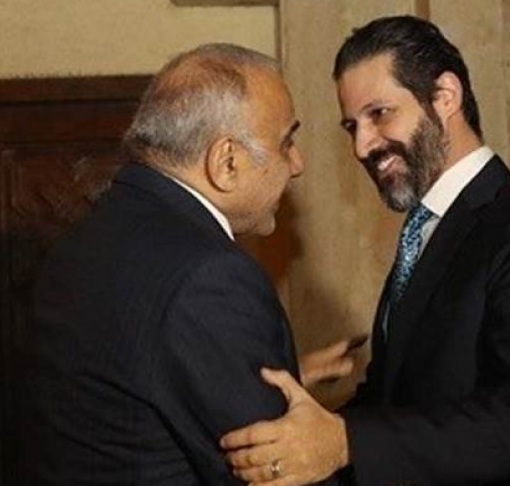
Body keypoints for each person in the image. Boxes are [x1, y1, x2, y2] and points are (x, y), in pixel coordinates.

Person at [221, 16, 510, 485]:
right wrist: (304, 437)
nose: (362, 146)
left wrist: (345, 442)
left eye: (380, 114)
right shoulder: (427, 229)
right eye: (351, 126)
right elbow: (397, 402)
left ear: (445, 97)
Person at [19, 43, 349, 485]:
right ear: (226, 162)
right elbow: (273, 472)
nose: (297, 164)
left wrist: (254, 379)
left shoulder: (86, 238)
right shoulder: (209, 275)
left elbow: (135, 387)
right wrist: (349, 446)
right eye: (286, 142)